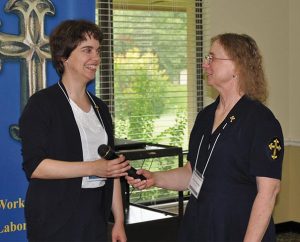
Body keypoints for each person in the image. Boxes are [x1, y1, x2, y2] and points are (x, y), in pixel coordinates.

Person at [126, 33, 284, 242]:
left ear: (237, 65)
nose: (204, 64)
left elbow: (268, 192)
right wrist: (155, 178)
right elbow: (193, 173)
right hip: (199, 226)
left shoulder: (261, 121)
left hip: (237, 230)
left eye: (212, 58)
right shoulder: (205, 116)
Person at [19, 19, 129, 242]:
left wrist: (118, 221)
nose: (96, 58)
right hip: (54, 217)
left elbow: (112, 168)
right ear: (64, 57)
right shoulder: (42, 104)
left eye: (97, 51)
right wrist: (93, 167)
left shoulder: (101, 107)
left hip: (94, 215)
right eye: (87, 50)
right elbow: (36, 166)